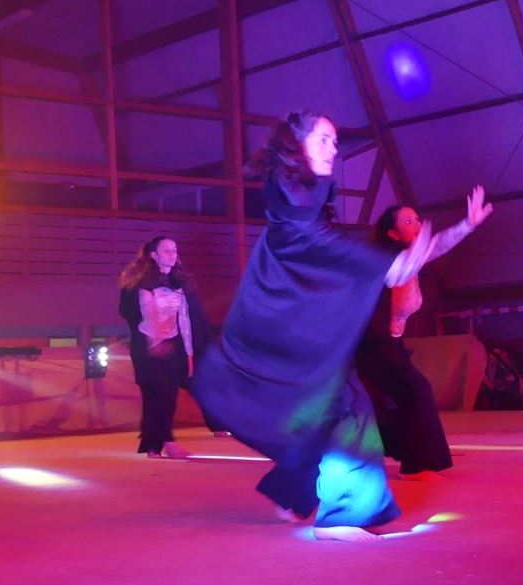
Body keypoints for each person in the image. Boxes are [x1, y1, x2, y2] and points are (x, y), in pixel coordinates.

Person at [192, 112, 442, 542]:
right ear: (298, 143)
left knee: (334, 408)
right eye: (324, 139)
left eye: (335, 140)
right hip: (290, 324)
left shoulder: (303, 190)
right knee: (343, 407)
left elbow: (325, 247)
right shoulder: (291, 194)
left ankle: (292, 495)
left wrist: (449, 235)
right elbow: (317, 244)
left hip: (302, 320)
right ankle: (343, 515)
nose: (333, 148)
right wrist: (384, 263)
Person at [357, 193, 490, 480]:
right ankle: (416, 466)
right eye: (408, 222)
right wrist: (422, 246)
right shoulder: (385, 261)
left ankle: (407, 457)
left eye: (417, 219)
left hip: (389, 343)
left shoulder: (412, 258)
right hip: (370, 345)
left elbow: (437, 244)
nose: (417, 224)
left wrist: (468, 224)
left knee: (394, 400)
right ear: (393, 234)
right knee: (416, 391)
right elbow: (400, 269)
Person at [118, 237, 212, 460]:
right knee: (155, 392)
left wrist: (189, 353)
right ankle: (163, 443)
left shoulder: (179, 284)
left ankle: (157, 444)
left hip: (173, 344)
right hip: (147, 345)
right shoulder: (142, 283)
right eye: (166, 250)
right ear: (154, 255)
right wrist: (156, 343)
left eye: (174, 249)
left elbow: (185, 320)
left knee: (169, 394)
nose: (172, 253)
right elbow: (148, 314)